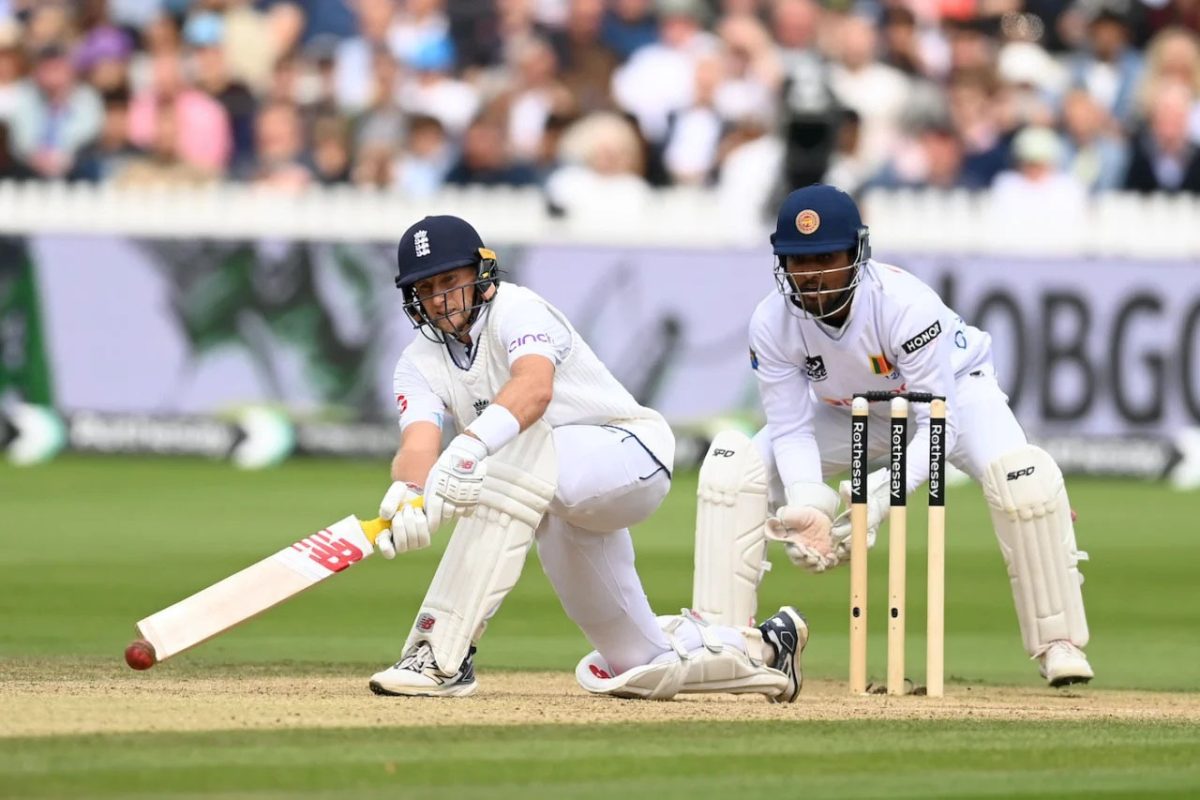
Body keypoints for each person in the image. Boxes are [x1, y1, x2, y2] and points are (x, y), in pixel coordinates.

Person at [367, 214, 808, 702]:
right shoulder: (417, 361)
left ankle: (442, 652)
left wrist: (469, 447)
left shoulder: (520, 309)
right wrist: (410, 493)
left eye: (450, 280)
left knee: (512, 446)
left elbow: (533, 389)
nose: (441, 299)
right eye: (426, 288)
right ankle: (766, 650)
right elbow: (418, 445)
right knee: (638, 664)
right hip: (557, 498)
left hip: (627, 453)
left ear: (481, 272)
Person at [691, 184, 1094, 688]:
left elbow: (935, 424)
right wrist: (808, 506)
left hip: (957, 399)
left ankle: (1057, 643)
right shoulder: (772, 322)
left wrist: (876, 499)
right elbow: (792, 427)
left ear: (857, 253)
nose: (810, 276)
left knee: (1025, 483)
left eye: (825, 258)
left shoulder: (904, 304)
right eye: (797, 261)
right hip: (849, 410)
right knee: (735, 468)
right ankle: (725, 643)